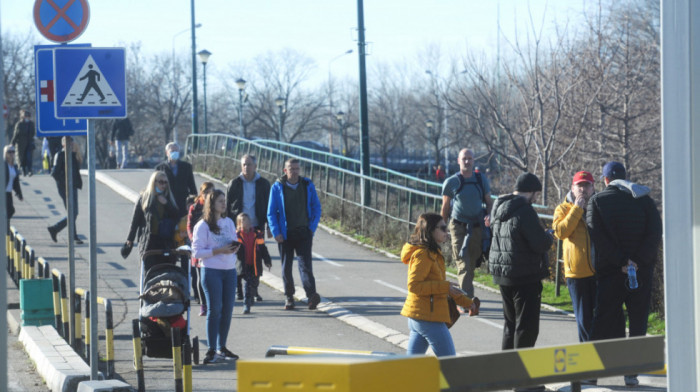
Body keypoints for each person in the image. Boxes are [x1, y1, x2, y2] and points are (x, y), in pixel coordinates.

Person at [586, 161, 662, 388]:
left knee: (602, 322)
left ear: (606, 180)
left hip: (610, 272)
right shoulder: (645, 200)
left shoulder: (597, 201)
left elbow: (596, 236)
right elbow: (655, 232)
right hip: (641, 273)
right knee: (638, 322)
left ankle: (591, 372)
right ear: (625, 177)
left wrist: (621, 261)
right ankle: (632, 373)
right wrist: (636, 262)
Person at [489, 173, 553, 363]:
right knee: (527, 327)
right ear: (532, 191)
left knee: (510, 325)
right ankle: (523, 379)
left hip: (503, 274)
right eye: (536, 194)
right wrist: (548, 236)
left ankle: (507, 372)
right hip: (524, 275)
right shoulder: (525, 211)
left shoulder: (499, 207)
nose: (536, 198)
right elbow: (539, 243)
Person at [400, 212, 479, 357]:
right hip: (428, 318)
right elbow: (414, 285)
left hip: (421, 316)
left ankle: (402, 380)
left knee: (411, 366)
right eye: (443, 228)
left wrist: (467, 302)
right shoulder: (423, 254)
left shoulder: (433, 253)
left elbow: (442, 287)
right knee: (449, 363)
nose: (446, 231)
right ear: (430, 230)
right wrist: (445, 287)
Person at [192, 189, 240, 364]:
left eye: (224, 200)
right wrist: (220, 250)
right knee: (215, 309)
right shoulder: (202, 225)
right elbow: (196, 252)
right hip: (211, 270)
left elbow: (233, 240)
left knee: (227, 310)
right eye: (220, 201)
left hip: (229, 270)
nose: (224, 203)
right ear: (211, 204)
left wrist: (235, 248)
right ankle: (211, 349)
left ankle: (222, 346)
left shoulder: (228, 222)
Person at [267, 158, 322, 310]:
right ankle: (289, 297)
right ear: (285, 170)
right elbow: (271, 212)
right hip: (285, 234)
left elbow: (316, 207)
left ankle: (311, 296)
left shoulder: (307, 185)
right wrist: (276, 231)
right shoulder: (277, 187)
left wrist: (312, 228)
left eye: (297, 168)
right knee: (286, 267)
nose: (294, 171)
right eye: (291, 169)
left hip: (304, 232)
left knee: (305, 266)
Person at [440, 148, 493, 298]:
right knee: (463, 262)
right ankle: (466, 300)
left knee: (472, 263)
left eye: (470, 158)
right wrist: (441, 229)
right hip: (458, 226)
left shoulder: (481, 179)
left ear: (473, 161)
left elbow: (489, 202)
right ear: (458, 161)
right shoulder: (451, 182)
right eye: (464, 159)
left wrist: (489, 215)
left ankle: (462, 297)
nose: (467, 162)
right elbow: (445, 208)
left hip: (477, 227)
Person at [552, 171, 596, 346]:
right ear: (572, 187)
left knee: (599, 319)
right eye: (580, 185)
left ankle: (599, 356)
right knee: (584, 321)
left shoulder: (598, 206)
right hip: (577, 274)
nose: (583, 189)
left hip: (598, 271)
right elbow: (561, 232)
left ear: (593, 188)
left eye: (587, 185)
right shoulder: (563, 209)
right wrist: (577, 209)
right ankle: (589, 362)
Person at [226, 154, 271, 302]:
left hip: (256, 227)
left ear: (255, 166)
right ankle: (239, 290)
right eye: (244, 164)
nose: (246, 167)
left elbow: (269, 207)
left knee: (256, 260)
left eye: (249, 164)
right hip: (238, 228)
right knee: (239, 259)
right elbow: (227, 206)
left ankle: (253, 290)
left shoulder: (263, 184)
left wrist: (270, 226)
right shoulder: (234, 183)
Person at [124, 171, 180, 272]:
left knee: (165, 270)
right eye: (161, 182)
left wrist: (166, 204)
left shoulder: (168, 197)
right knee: (148, 270)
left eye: (165, 182)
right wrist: (130, 239)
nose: (163, 185)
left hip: (165, 240)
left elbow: (176, 215)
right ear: (154, 182)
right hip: (148, 240)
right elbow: (135, 220)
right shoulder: (144, 197)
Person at [47, 137, 84, 244]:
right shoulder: (59, 155)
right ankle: (55, 228)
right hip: (65, 188)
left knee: (73, 212)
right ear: (64, 144)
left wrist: (77, 154)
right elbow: (54, 173)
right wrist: (65, 182)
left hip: (74, 187)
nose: (71, 146)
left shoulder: (73, 155)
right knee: (73, 212)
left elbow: (77, 170)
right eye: (69, 144)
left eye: (72, 144)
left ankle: (73, 236)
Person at [188, 181, 215, 316]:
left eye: (211, 192)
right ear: (201, 193)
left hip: (212, 246)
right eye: (206, 192)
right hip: (199, 245)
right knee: (201, 277)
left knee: (212, 277)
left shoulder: (215, 207)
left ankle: (213, 304)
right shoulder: (194, 207)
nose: (209, 194)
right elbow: (189, 226)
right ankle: (203, 305)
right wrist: (194, 239)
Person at [235, 213, 271, 314]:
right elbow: (233, 249)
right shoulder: (237, 236)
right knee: (247, 284)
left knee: (255, 283)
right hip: (244, 265)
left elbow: (263, 249)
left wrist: (267, 260)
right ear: (238, 224)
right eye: (242, 221)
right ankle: (246, 305)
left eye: (246, 220)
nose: (244, 223)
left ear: (250, 222)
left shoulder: (257, 234)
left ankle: (252, 295)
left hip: (255, 264)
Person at [155, 142, 197, 218]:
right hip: (166, 204)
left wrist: (192, 202)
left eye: (176, 151)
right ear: (166, 153)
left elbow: (192, 186)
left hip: (183, 204)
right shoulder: (160, 168)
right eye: (172, 151)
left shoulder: (187, 167)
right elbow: (155, 187)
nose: (174, 153)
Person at [11, 109, 35, 176]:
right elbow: (15, 134)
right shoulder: (19, 124)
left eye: (28, 117)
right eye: (26, 116)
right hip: (20, 144)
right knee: (22, 158)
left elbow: (33, 133)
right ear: (23, 117)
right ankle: (23, 170)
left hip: (29, 143)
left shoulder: (31, 124)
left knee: (29, 157)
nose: (27, 118)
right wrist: (12, 143)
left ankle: (30, 170)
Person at [4, 145, 23, 226]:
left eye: (13, 152)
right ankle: (5, 229)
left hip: (9, 193)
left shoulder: (14, 166)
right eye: (9, 152)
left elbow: (16, 182)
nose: (11, 154)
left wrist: (19, 194)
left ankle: (5, 228)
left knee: (10, 211)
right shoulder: (3, 165)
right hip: (3, 193)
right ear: (5, 153)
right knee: (9, 211)